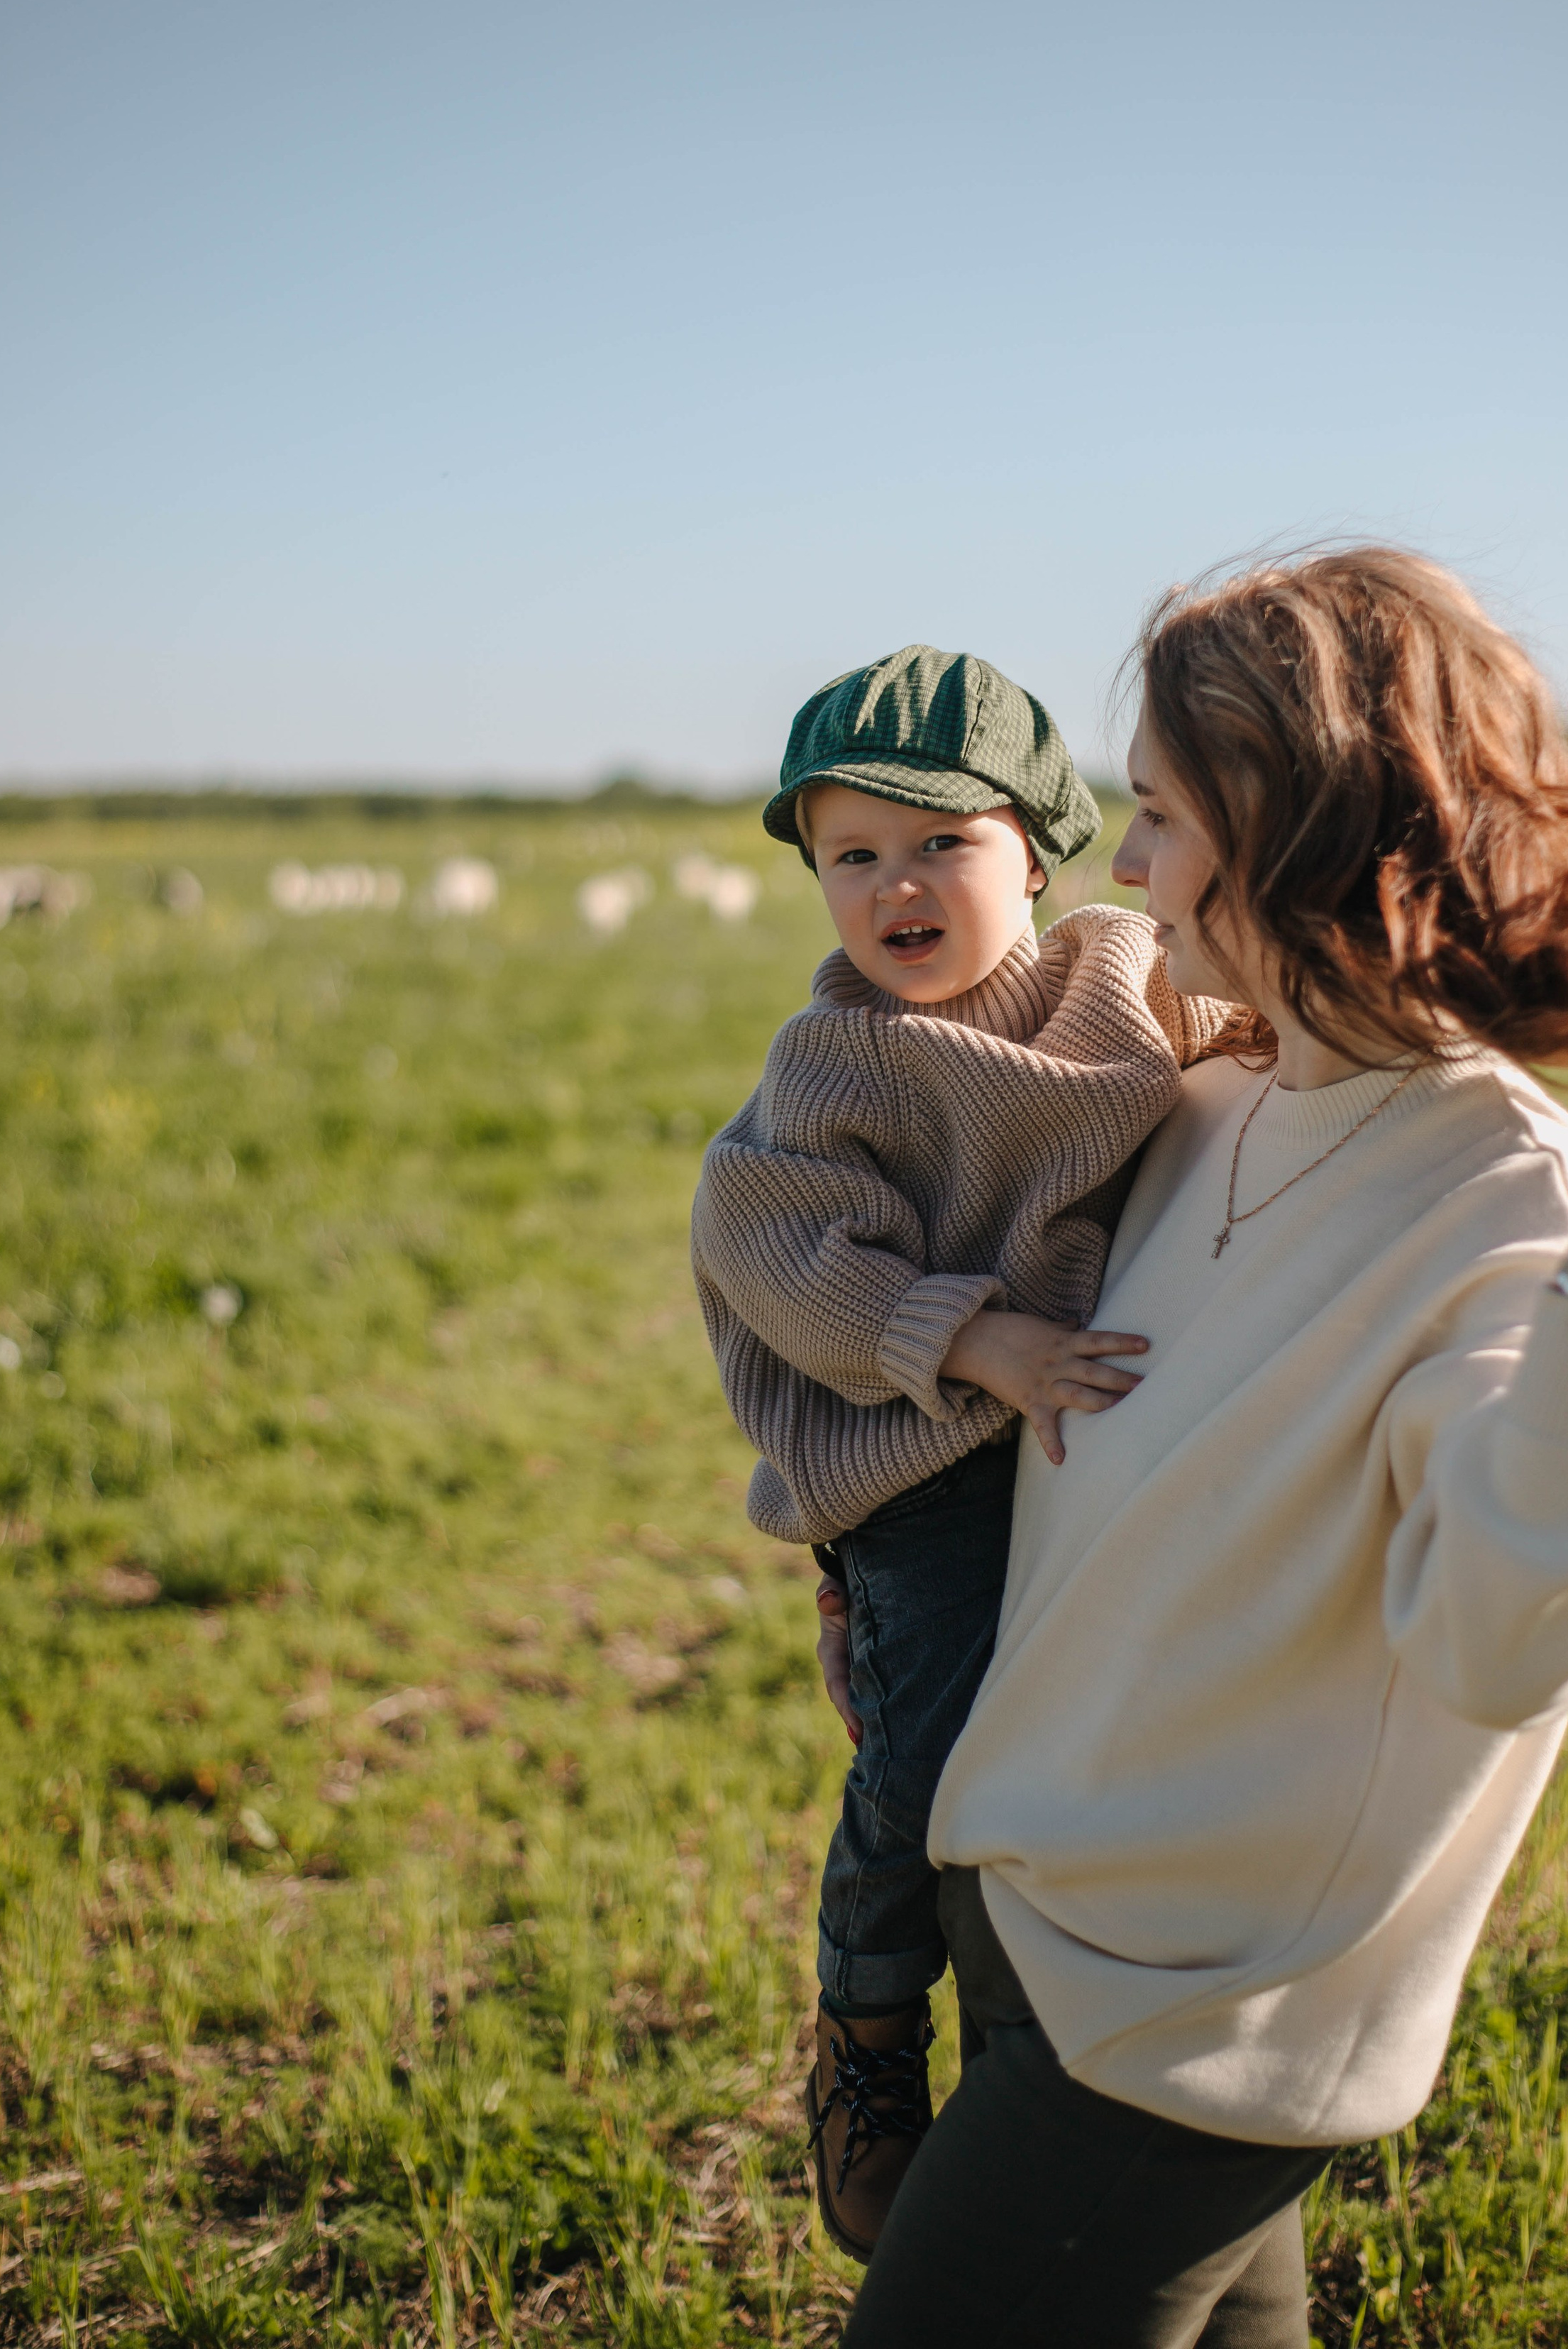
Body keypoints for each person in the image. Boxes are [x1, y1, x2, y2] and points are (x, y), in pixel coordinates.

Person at [829, 549, 1568, 2349]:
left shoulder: (1506, 1198)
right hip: (1029, 1918)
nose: (1128, 865)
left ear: (1297, 831)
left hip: (1177, 2027)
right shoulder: (1204, 1094)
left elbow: (1508, 1639)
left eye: (1158, 812)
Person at [692, 644, 1232, 2258]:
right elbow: (776, 1249)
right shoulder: (839, 1061)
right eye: (849, 855)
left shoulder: (1121, 975)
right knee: (922, 1753)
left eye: (939, 842)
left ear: (1040, 846)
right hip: (916, 1453)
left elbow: (1226, 1034)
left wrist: (1257, 1055)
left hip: (1081, 1428)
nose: (893, 887)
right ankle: (864, 2021)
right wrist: (971, 1336)